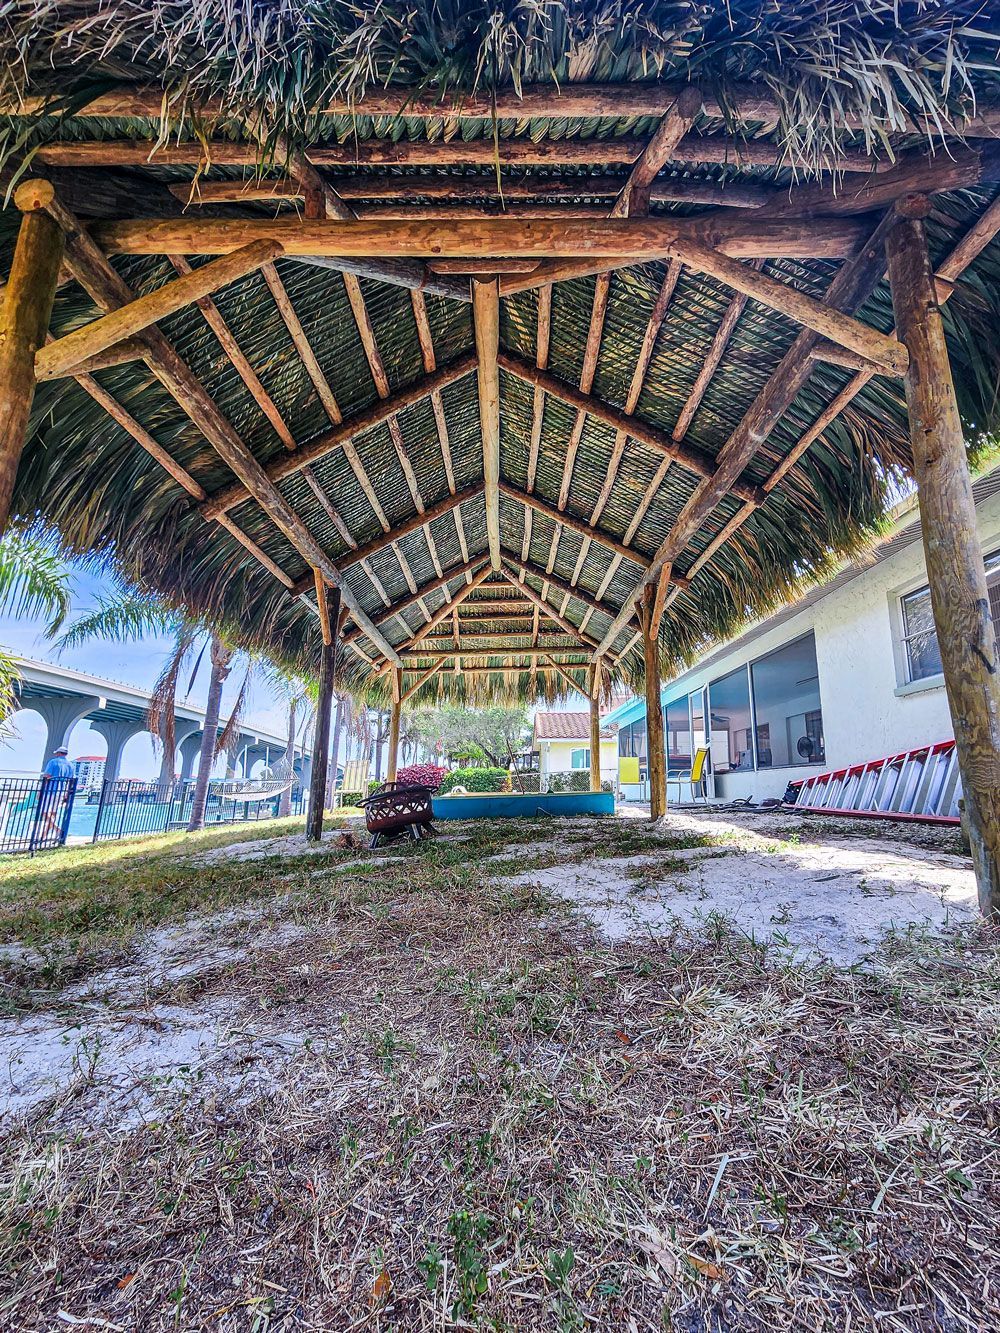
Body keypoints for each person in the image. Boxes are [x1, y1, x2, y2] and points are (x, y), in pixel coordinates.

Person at [39, 744, 74, 841]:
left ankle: (58, 830)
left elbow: (47, 776)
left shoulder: (53, 762)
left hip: (50, 790)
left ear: (58, 753)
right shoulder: (71, 765)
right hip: (61, 791)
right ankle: (44, 836)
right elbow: (71, 780)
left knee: (44, 812)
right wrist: (67, 793)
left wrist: (41, 790)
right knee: (53, 813)